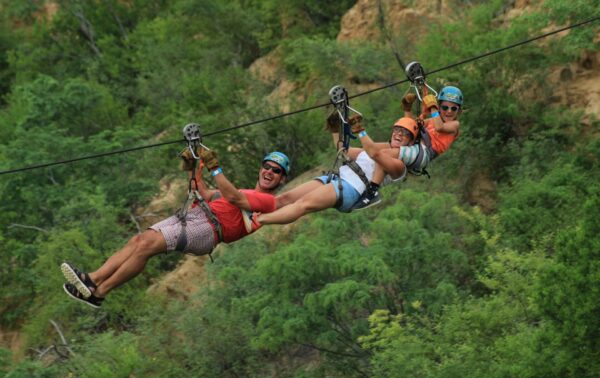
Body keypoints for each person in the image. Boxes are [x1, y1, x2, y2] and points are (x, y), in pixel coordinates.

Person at [61, 149, 291, 308]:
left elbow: (233, 196)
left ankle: (100, 292)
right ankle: (92, 279)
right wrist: (193, 166)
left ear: (281, 179)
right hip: (197, 215)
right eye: (267, 166)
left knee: (147, 247)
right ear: (260, 168)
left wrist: (215, 168)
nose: (269, 172)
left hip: (209, 230)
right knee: (139, 241)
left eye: (276, 170)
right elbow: (204, 192)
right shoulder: (243, 191)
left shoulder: (269, 202)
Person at [244, 112, 418, 229]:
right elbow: (343, 151)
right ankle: (251, 209)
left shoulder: (399, 166)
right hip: (336, 179)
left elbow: (376, 154)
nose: (399, 134)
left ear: (410, 143)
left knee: (302, 205)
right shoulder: (370, 151)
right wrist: (336, 130)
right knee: (285, 198)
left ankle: (258, 220)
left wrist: (361, 132)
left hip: (351, 189)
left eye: (405, 134)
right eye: (397, 130)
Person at [353, 86, 463, 209]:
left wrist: (433, 107)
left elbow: (440, 127)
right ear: (440, 106)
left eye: (453, 108)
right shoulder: (432, 120)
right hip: (415, 147)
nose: (449, 111)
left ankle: (372, 192)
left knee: (383, 154)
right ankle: (355, 174)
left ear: (458, 111)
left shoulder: (454, 125)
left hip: (423, 153)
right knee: (371, 149)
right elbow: (412, 126)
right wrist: (408, 109)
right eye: (445, 107)